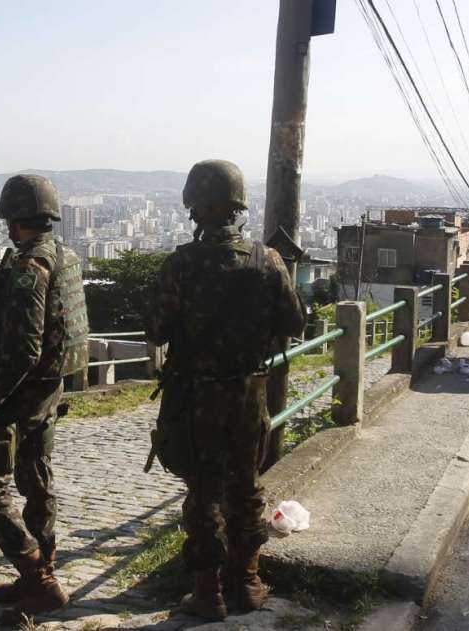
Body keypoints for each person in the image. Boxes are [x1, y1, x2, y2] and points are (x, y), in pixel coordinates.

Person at [147, 159, 305, 621]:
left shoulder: (179, 265)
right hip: (249, 393)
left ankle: (207, 591)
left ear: (194, 207)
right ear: (238, 206)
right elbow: (295, 322)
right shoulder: (268, 261)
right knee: (246, 487)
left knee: (203, 492)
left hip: (195, 398)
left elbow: (156, 332)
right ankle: (249, 581)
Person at [0, 174, 88, 626]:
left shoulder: (28, 267)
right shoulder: (66, 256)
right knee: (36, 478)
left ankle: (39, 580)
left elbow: (23, 348)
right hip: (48, 389)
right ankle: (41, 568)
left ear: (12, 217)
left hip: (17, 394)